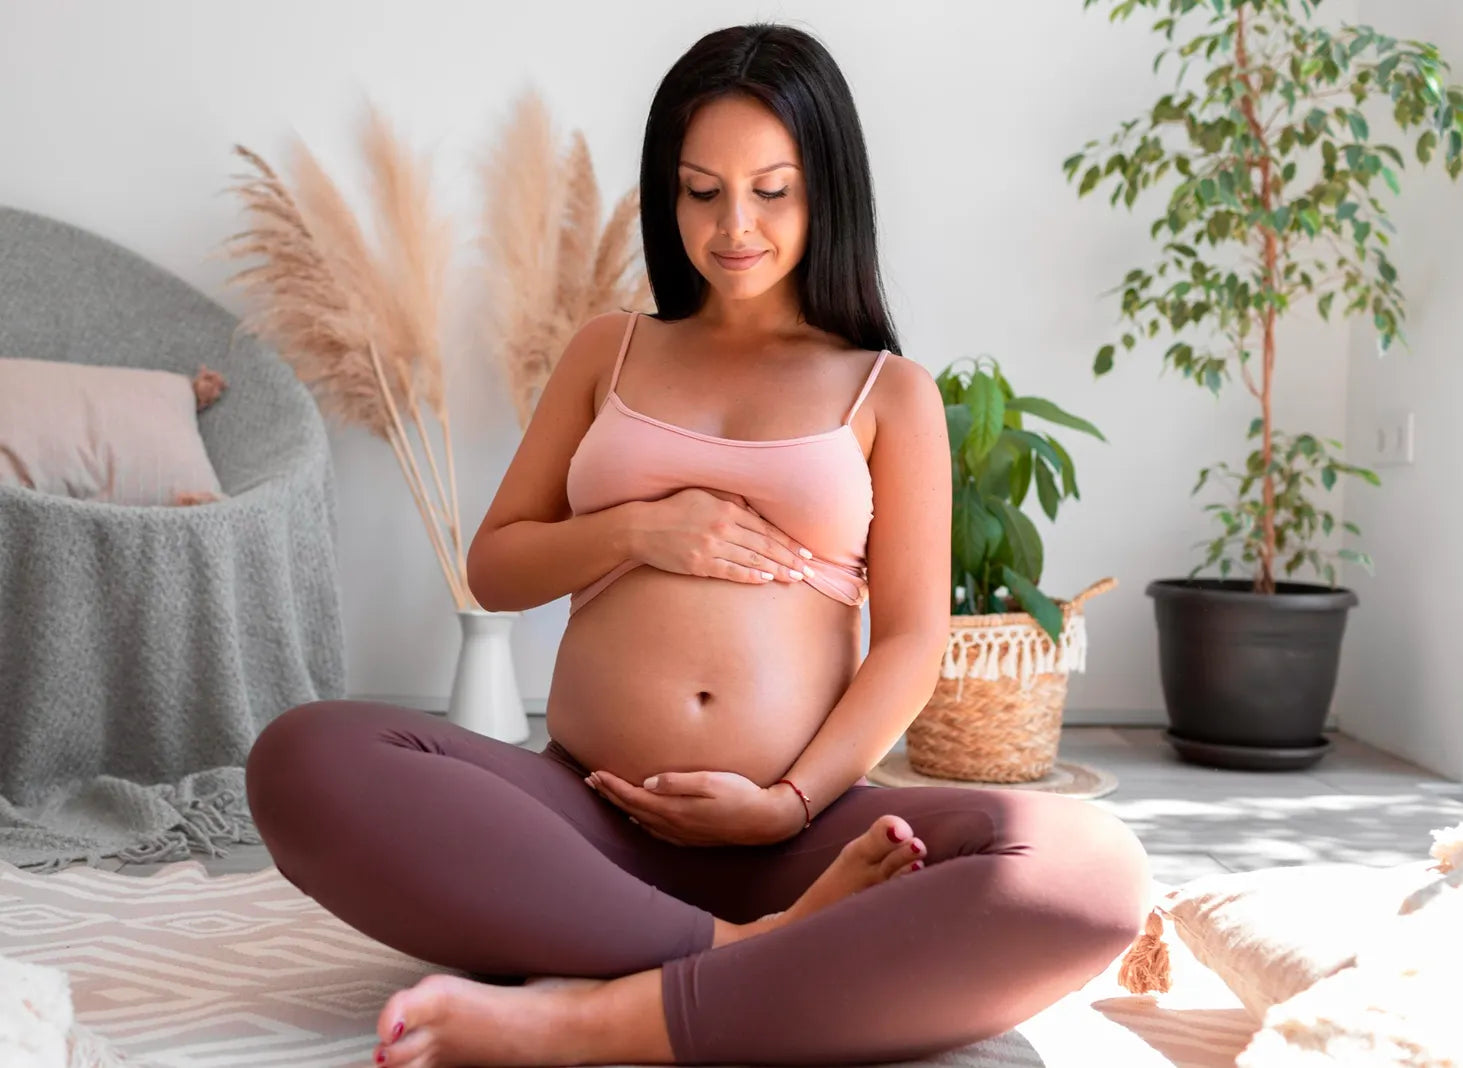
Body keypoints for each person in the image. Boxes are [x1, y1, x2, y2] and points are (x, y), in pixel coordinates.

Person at [244, 21, 1150, 1068]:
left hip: (799, 837)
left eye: (771, 190)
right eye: (699, 189)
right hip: (585, 819)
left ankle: (593, 1019)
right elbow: (496, 565)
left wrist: (785, 803)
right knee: (303, 758)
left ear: (827, 190)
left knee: (1085, 871)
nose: (733, 227)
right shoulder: (609, 349)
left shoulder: (886, 391)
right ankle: (744, 954)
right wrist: (639, 528)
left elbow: (909, 641)